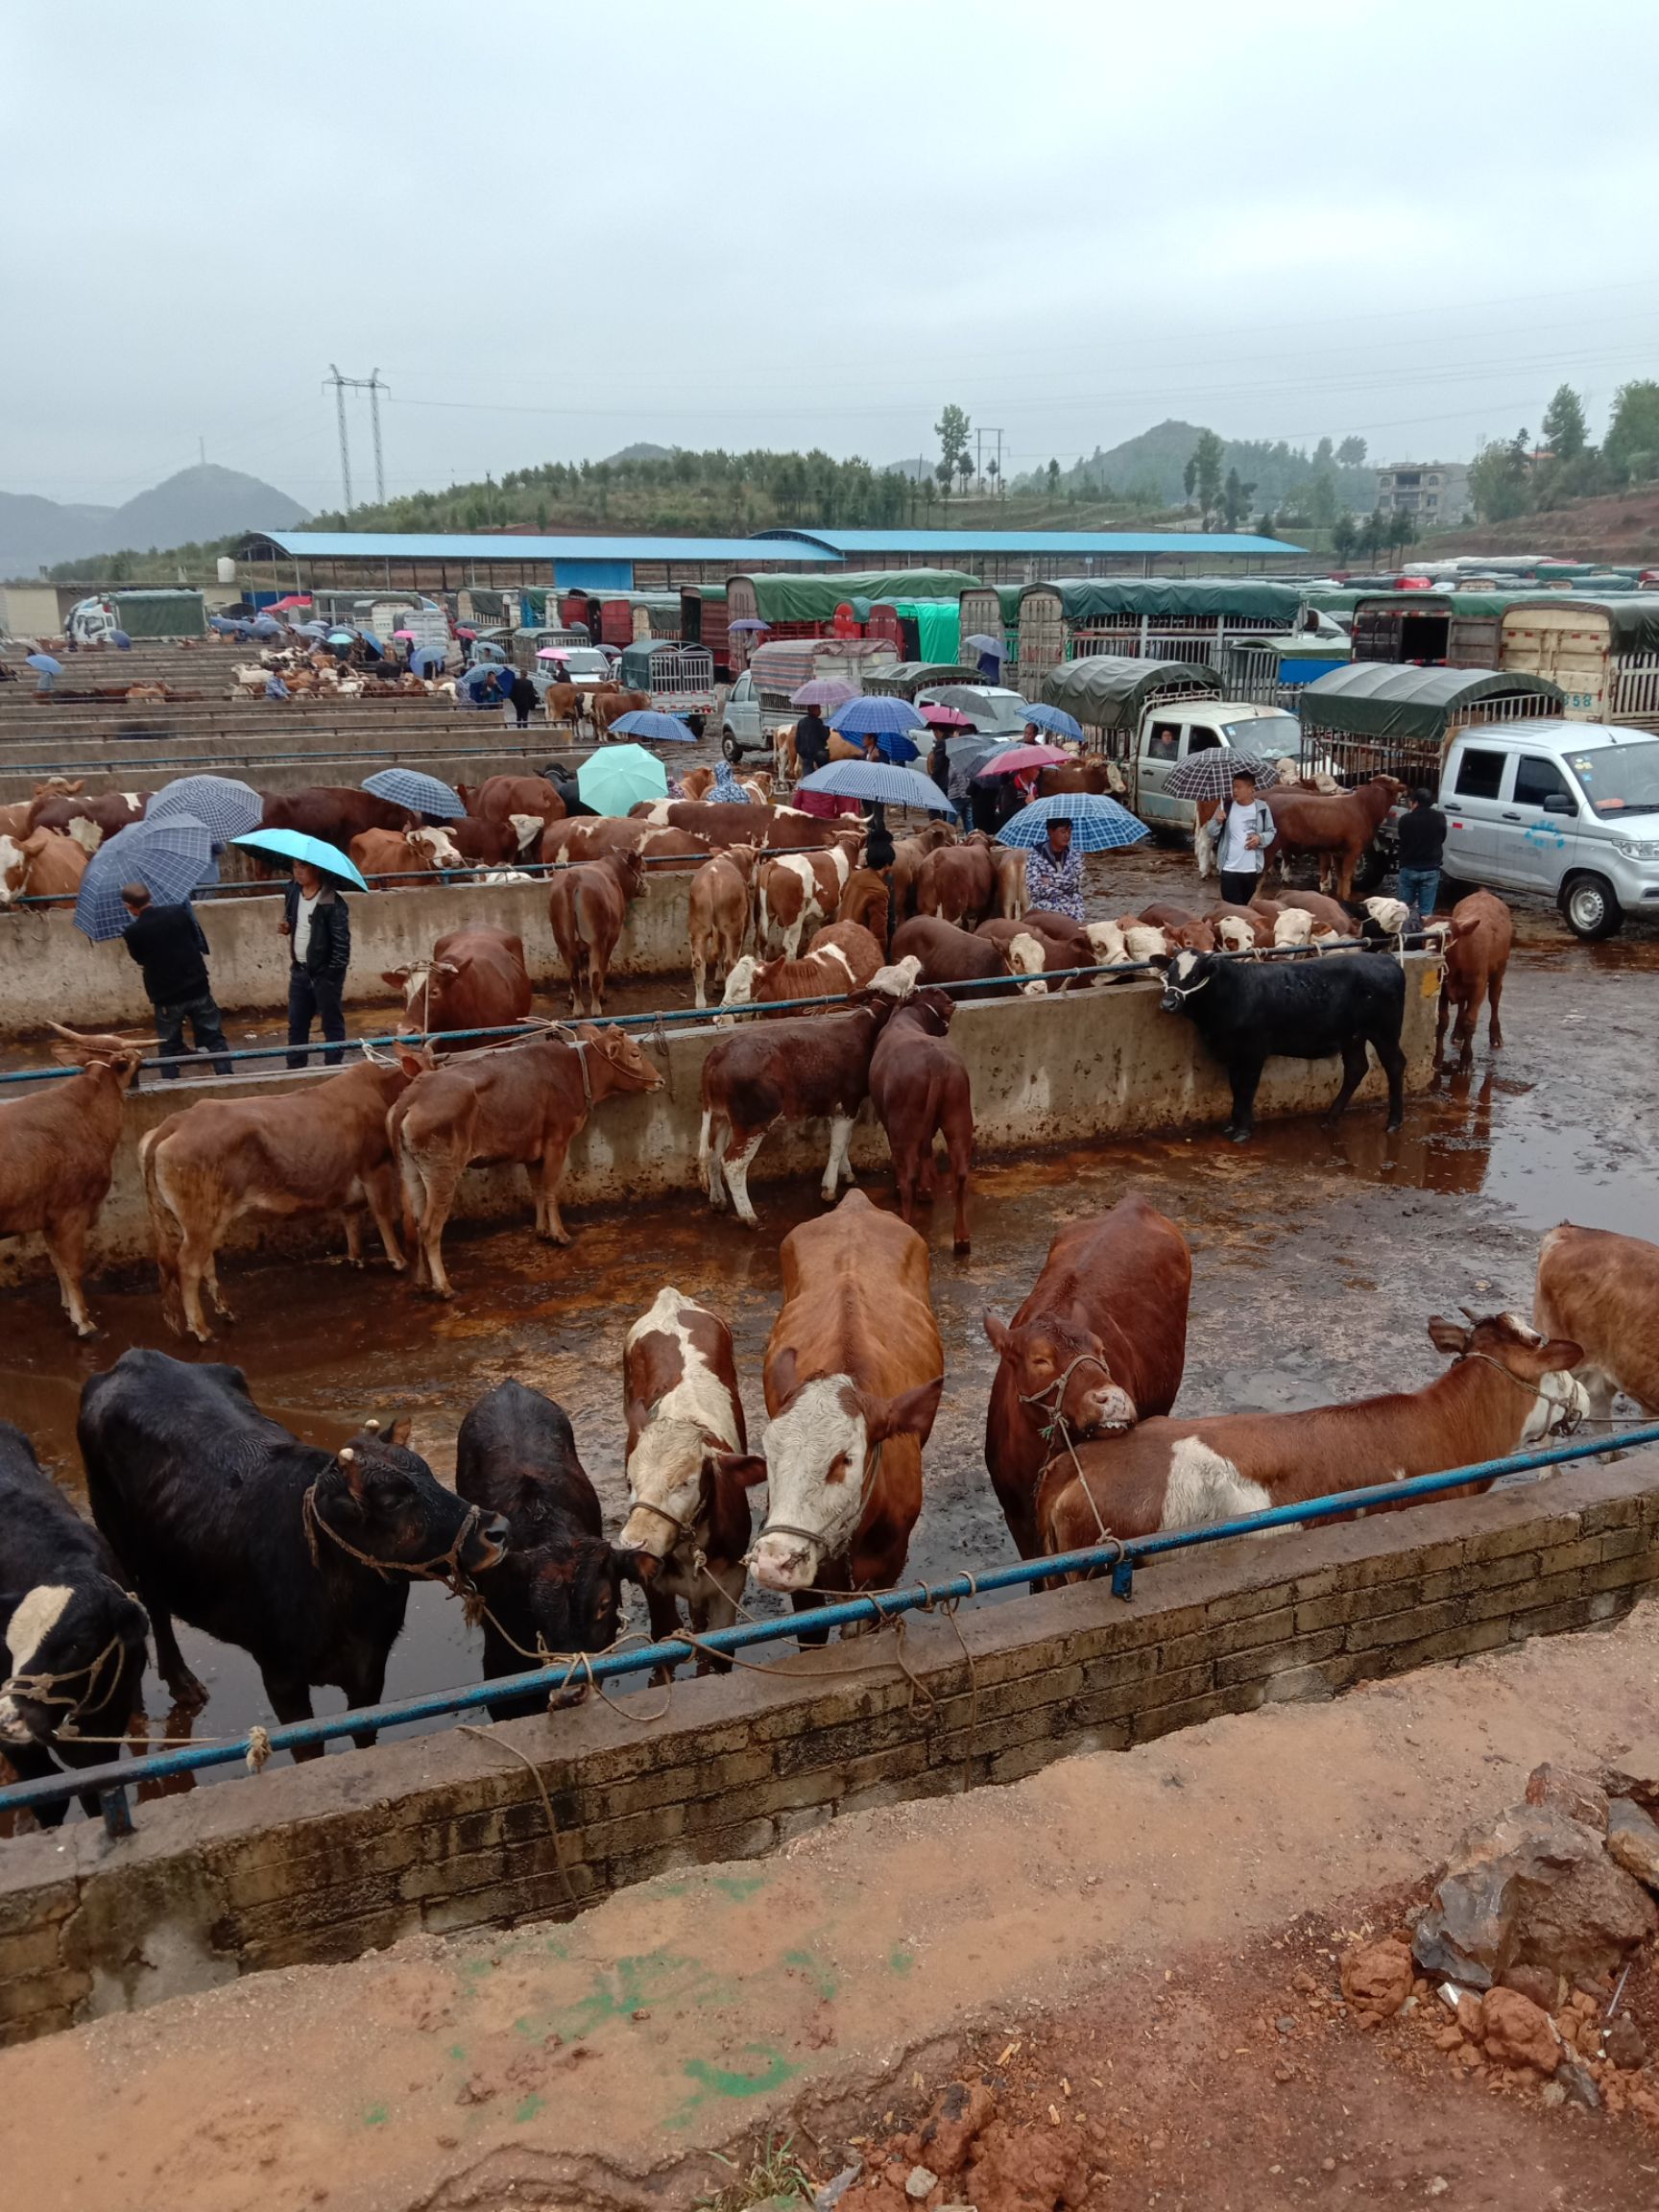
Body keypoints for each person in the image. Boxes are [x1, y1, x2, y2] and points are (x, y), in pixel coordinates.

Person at [119, 885, 233, 1079]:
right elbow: (193, 936)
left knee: (168, 1045)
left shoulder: (133, 931)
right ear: (150, 896)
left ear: (128, 906)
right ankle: (228, 1078)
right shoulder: (178, 911)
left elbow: (140, 959)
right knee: (214, 1037)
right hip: (197, 986)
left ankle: (170, 1086)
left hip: (166, 996)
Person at [282, 859, 351, 1070]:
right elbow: (294, 920)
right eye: (295, 867)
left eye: (303, 867)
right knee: (297, 1024)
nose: (298, 872)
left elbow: (341, 947)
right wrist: (288, 926)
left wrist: (330, 975)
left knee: (330, 1023)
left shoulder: (332, 903)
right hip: (300, 971)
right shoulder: (293, 892)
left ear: (317, 870)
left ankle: (333, 1068)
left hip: (323, 975)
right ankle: (295, 1068)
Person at [1208, 767, 1277, 905]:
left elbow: (1271, 831)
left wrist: (1260, 838)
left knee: (1246, 910)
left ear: (1251, 789)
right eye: (1233, 787)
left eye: (1239, 787)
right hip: (1229, 869)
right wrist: (1217, 821)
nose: (1234, 791)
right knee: (1232, 910)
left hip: (1251, 869)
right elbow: (1211, 832)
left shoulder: (1262, 808)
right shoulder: (1226, 807)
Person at [1396, 785, 1447, 927]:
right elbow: (1442, 838)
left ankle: (1402, 938)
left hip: (1409, 868)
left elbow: (1402, 838)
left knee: (1403, 910)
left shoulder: (1406, 819)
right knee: (1426, 913)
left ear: (1415, 802)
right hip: (1431, 869)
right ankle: (1423, 938)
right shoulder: (1440, 818)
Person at [1022, 816, 1085, 924]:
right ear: (1050, 832)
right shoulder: (1035, 856)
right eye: (1063, 831)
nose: (1067, 835)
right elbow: (1035, 888)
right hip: (1044, 912)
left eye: (1070, 831)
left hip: (1074, 912)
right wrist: (1064, 891)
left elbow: (1075, 882)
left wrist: (1051, 881)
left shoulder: (1076, 855)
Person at [795, 705, 831, 776]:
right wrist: (827, 728)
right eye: (819, 709)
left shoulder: (801, 722)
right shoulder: (818, 722)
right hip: (818, 753)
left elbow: (797, 739)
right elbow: (825, 736)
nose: (820, 711)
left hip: (805, 754)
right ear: (813, 710)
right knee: (823, 772)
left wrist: (800, 751)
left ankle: (806, 784)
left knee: (807, 773)